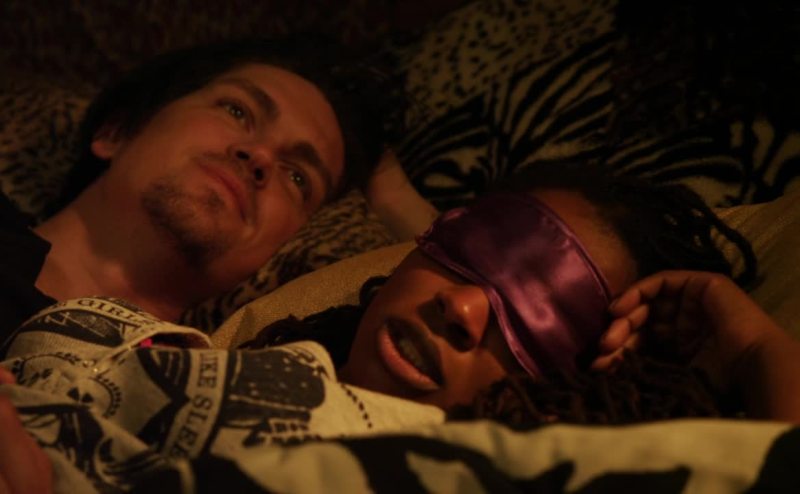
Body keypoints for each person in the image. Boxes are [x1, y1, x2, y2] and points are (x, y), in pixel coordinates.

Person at [2, 166, 799, 492]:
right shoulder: (220, 353)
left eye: (541, 317)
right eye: (478, 253)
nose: (464, 309)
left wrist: (755, 347)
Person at [0, 37, 405, 336]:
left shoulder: (203, 394)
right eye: (237, 110)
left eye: (298, 177)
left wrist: (392, 193)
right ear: (116, 130)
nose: (261, 157)